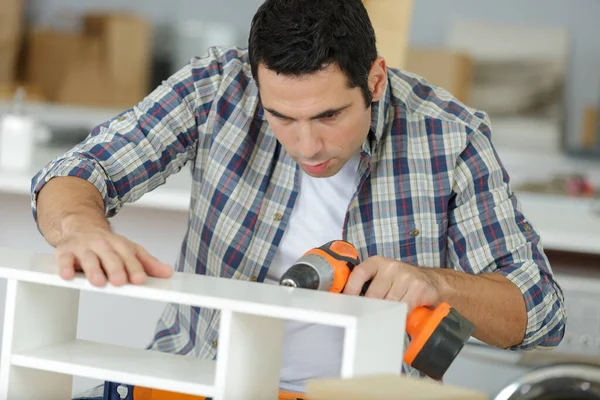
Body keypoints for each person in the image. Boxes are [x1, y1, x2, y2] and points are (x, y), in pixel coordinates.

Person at [31, 0, 566, 398]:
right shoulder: (216, 90)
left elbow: (540, 311)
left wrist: (436, 283)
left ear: (375, 81)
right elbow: (77, 171)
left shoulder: (450, 137)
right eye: (281, 117)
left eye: (329, 116)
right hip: (193, 380)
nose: (307, 146)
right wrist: (81, 228)